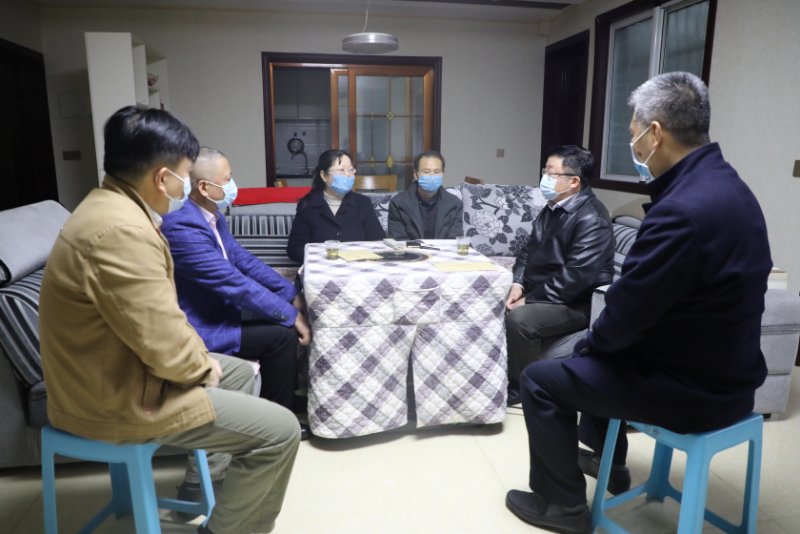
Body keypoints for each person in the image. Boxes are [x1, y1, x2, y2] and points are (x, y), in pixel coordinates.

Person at [505, 71, 771, 534]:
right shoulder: (731, 187)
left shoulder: (681, 210)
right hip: (733, 373)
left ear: (656, 133)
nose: (633, 146)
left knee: (542, 379)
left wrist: (587, 346)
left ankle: (564, 508)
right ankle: (606, 461)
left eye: (633, 135)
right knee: (598, 355)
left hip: (694, 389)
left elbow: (625, 315)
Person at [39, 105, 300, 534]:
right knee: (280, 431)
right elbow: (162, 339)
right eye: (183, 174)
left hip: (115, 372)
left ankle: (209, 480)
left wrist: (203, 360)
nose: (185, 186)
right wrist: (200, 366)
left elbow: (160, 316)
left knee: (236, 372)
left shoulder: (110, 207)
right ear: (163, 178)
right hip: (112, 397)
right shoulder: (122, 232)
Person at [161, 147, 312, 440]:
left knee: (281, 324)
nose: (233, 185)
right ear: (204, 187)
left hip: (219, 312)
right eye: (227, 179)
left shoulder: (211, 215)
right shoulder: (182, 227)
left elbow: (243, 260)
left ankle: (286, 402)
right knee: (282, 335)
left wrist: (290, 293)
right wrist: (292, 314)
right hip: (201, 327)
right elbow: (234, 283)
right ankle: (276, 421)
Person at [504, 145, 615, 406]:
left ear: (574, 181)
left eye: (551, 173)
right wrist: (518, 283)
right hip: (543, 291)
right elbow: (528, 250)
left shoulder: (593, 219)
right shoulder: (553, 206)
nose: (544, 178)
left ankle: (523, 388)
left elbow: (574, 278)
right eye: (544, 171)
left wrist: (529, 300)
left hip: (575, 303)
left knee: (520, 319)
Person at [287, 149, 385, 263]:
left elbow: (379, 243)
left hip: (357, 267)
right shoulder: (308, 206)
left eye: (351, 170)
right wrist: (325, 254)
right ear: (324, 176)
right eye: (341, 170)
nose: (348, 175)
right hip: (322, 268)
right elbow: (294, 250)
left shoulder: (363, 203)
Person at [387, 150, 463, 240]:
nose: (432, 176)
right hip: (410, 249)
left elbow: (455, 240)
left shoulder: (454, 204)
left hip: (443, 249)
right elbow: (399, 240)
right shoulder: (398, 203)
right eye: (426, 172)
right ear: (416, 175)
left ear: (442, 174)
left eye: (436, 172)